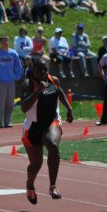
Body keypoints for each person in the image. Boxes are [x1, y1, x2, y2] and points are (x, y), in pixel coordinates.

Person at [20, 56, 74, 204]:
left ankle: (52, 186)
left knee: (53, 145)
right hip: (33, 126)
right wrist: (37, 92)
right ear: (33, 70)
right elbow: (24, 107)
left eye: (46, 69)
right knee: (35, 165)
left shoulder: (54, 80)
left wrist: (69, 109)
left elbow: (60, 92)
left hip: (51, 121)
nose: (43, 72)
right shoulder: (28, 84)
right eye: (40, 70)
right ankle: (30, 185)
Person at [0, 36, 23, 128]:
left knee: (10, 102)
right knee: (0, 103)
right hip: (0, 81)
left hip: (11, 81)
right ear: (0, 43)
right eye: (4, 41)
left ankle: (8, 121)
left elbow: (18, 65)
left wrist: (17, 76)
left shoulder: (13, 53)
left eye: (7, 41)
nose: (6, 42)